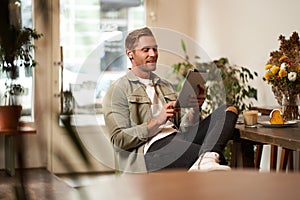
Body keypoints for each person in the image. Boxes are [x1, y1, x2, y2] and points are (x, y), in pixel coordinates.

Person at [103, 27, 238, 173]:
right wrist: (158, 121)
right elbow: (119, 139)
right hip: (151, 148)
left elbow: (183, 128)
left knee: (229, 110)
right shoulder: (118, 90)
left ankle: (207, 158)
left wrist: (194, 109)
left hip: (177, 138)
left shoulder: (165, 85)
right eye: (146, 50)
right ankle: (206, 159)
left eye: (155, 49)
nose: (153, 54)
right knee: (219, 162)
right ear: (130, 54)